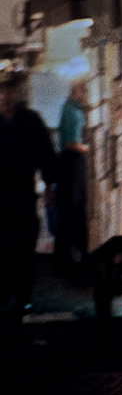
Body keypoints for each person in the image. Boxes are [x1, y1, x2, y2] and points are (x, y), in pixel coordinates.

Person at [0, 66, 57, 322]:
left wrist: (49, 186)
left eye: (10, 89)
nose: (5, 96)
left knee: (24, 248)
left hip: (22, 195)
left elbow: (47, 156)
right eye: (1, 90)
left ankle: (23, 300)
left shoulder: (31, 121)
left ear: (18, 91)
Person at [54, 77, 90, 276]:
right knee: (74, 210)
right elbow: (71, 144)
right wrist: (89, 148)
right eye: (85, 92)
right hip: (72, 163)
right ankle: (70, 262)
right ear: (78, 91)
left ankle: (62, 262)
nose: (87, 97)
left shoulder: (67, 107)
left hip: (66, 164)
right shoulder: (74, 112)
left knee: (67, 213)